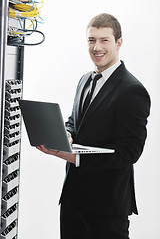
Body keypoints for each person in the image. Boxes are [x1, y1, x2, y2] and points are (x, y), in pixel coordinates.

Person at [37, 13, 151, 239]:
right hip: (72, 201)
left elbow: (129, 153)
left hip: (106, 209)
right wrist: (66, 135)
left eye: (104, 40)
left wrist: (73, 157)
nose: (96, 47)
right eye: (91, 40)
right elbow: (74, 121)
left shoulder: (132, 90)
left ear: (119, 42)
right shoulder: (85, 80)